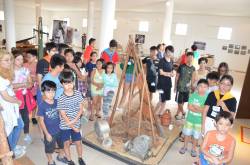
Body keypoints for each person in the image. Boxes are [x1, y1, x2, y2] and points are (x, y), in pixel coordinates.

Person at [0, 50, 25, 158]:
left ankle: (12, 148)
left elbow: (9, 88)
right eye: (6, 60)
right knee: (10, 128)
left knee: (19, 125)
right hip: (6, 106)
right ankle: (10, 150)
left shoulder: (6, 72)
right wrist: (17, 101)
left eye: (10, 59)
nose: (9, 62)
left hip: (10, 105)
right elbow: (5, 95)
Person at [57, 71, 86, 165]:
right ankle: (69, 160)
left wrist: (75, 120)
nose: (69, 85)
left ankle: (80, 158)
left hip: (75, 123)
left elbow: (81, 109)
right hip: (65, 125)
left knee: (78, 142)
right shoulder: (61, 98)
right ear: (61, 84)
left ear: (74, 82)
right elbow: (63, 115)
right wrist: (73, 126)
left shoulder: (78, 93)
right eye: (66, 83)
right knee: (66, 143)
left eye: (70, 82)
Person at [37, 81, 67, 165]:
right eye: (48, 91)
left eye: (53, 91)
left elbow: (60, 114)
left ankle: (60, 156)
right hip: (49, 132)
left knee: (62, 145)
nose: (51, 94)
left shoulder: (57, 102)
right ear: (43, 92)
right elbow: (41, 120)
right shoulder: (42, 105)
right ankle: (50, 161)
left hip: (60, 129)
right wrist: (46, 134)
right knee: (49, 149)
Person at [179, 79, 209, 157]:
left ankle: (193, 149)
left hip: (199, 122)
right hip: (189, 120)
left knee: (196, 137)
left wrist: (197, 108)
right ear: (197, 87)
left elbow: (205, 111)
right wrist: (200, 109)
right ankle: (185, 147)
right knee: (187, 134)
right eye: (200, 86)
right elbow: (189, 107)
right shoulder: (193, 95)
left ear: (207, 88)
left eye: (205, 87)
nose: (202, 88)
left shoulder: (207, 98)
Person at [12, 50, 34, 145]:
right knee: (13, 117)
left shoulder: (25, 70)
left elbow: (30, 84)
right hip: (12, 97)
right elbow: (9, 86)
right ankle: (12, 138)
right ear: (13, 60)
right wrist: (23, 84)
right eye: (18, 59)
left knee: (25, 116)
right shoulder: (9, 71)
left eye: (22, 59)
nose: (21, 61)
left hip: (24, 96)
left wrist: (25, 85)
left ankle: (27, 133)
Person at [175, 52, 196, 120]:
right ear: (186, 58)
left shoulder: (193, 68)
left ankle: (178, 113)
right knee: (179, 101)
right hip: (180, 87)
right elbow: (177, 76)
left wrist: (192, 88)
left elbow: (193, 79)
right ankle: (183, 112)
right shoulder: (181, 66)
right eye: (188, 57)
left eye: (191, 57)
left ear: (193, 59)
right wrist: (175, 86)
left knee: (183, 101)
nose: (190, 59)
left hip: (187, 89)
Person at [155, 45, 174, 115]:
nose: (170, 53)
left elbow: (172, 70)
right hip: (161, 84)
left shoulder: (171, 61)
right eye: (168, 52)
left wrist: (173, 73)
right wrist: (169, 74)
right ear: (165, 52)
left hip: (168, 83)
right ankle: (153, 113)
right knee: (160, 100)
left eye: (171, 52)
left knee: (165, 100)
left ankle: (160, 113)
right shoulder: (161, 60)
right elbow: (161, 72)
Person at [24, 49, 38, 124]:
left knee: (34, 103)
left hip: (35, 87)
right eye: (27, 57)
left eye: (29, 57)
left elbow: (39, 76)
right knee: (26, 102)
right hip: (26, 87)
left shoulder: (38, 65)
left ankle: (33, 117)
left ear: (34, 57)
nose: (27, 59)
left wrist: (33, 78)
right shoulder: (24, 65)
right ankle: (26, 116)